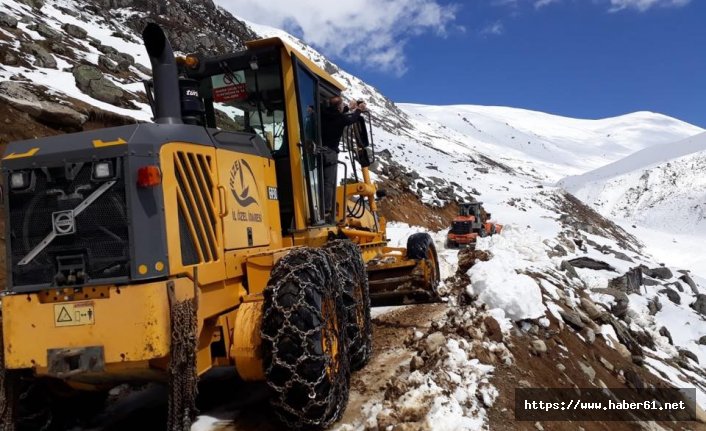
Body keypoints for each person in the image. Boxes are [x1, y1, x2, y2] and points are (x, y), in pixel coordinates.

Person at [320, 95, 365, 222]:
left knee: (319, 180)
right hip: (330, 153)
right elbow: (352, 119)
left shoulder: (322, 114)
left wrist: (347, 108)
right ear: (338, 106)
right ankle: (326, 210)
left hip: (318, 151)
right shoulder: (340, 119)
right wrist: (359, 109)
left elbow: (336, 115)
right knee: (328, 182)